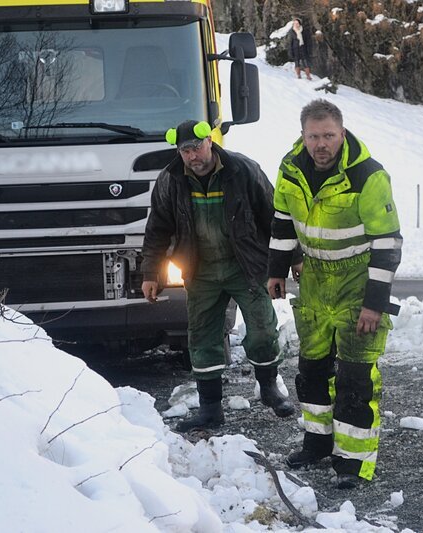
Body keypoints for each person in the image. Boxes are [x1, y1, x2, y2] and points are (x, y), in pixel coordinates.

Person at [267, 99, 402, 489]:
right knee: (311, 372)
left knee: (356, 378)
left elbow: (388, 242)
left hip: (357, 283)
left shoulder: (368, 175)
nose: (321, 144)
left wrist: (374, 303)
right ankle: (317, 443)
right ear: (303, 136)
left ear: (342, 134)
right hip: (313, 283)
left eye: (328, 135)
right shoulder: (290, 170)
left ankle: (354, 463)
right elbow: (281, 221)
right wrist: (276, 271)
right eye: (314, 136)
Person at [142, 119, 295, 432]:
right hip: (202, 270)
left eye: (196, 147)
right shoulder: (171, 180)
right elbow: (158, 229)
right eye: (185, 151)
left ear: (209, 142)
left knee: (263, 330)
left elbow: (275, 217)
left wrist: (291, 259)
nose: (192, 156)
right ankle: (211, 409)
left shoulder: (244, 171)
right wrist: (151, 273)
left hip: (246, 266)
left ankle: (269, 389)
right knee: (202, 337)